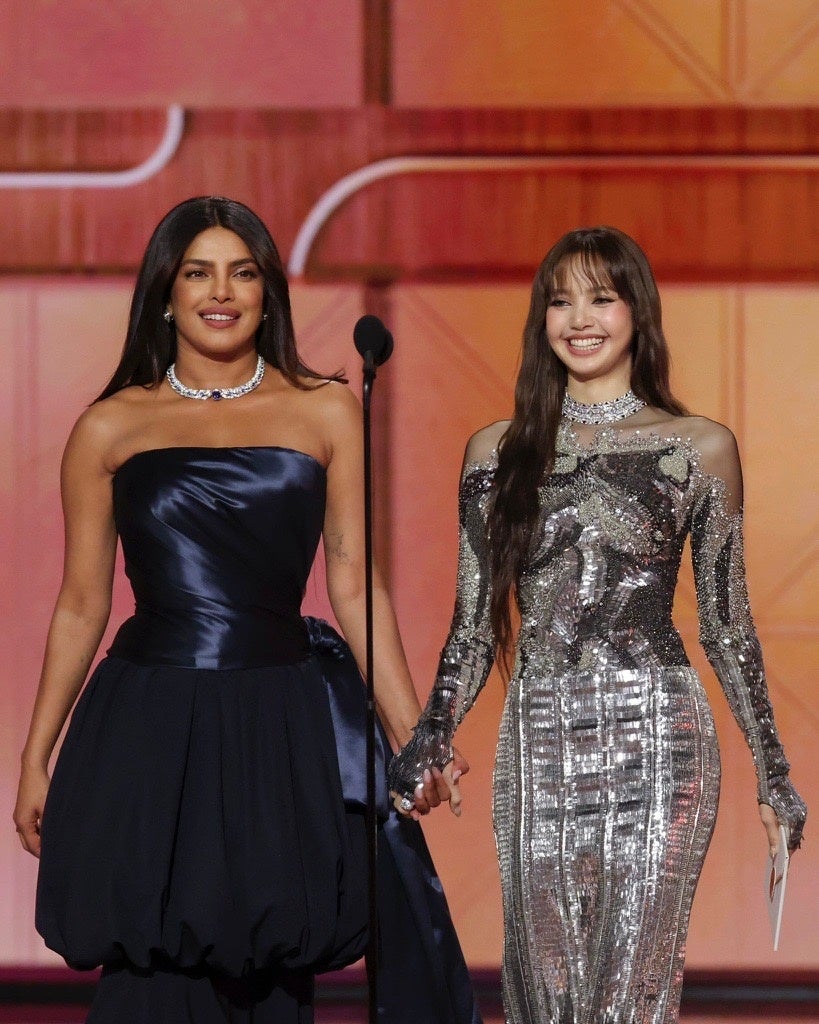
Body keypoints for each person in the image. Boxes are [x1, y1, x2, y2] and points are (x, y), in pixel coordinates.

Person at [12, 196, 475, 1024]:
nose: (220, 291)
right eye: (198, 273)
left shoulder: (326, 408)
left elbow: (355, 584)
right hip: (151, 719)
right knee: (148, 966)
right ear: (166, 293)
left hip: (277, 719)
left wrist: (415, 733)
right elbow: (81, 603)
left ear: (268, 294)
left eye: (243, 272)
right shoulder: (109, 425)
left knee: (269, 961)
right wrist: (35, 754)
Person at [389, 226, 807, 1024]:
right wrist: (431, 735)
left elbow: (726, 626)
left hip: (659, 738)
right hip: (540, 733)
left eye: (600, 298)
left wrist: (773, 774)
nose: (578, 319)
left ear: (636, 312)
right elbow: (473, 626)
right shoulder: (495, 452)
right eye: (559, 302)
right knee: (544, 985)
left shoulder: (698, 448)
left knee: (630, 989)